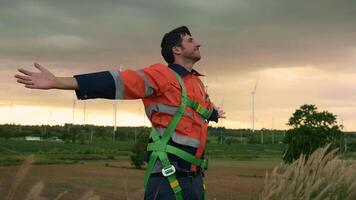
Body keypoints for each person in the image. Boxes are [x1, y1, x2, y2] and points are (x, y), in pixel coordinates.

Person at [14, 26, 226, 200]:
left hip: (196, 180)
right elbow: (116, 81)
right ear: (176, 50)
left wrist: (214, 112)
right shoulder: (160, 75)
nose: (197, 43)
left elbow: (202, 108)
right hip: (169, 179)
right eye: (190, 40)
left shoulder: (197, 82)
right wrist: (59, 82)